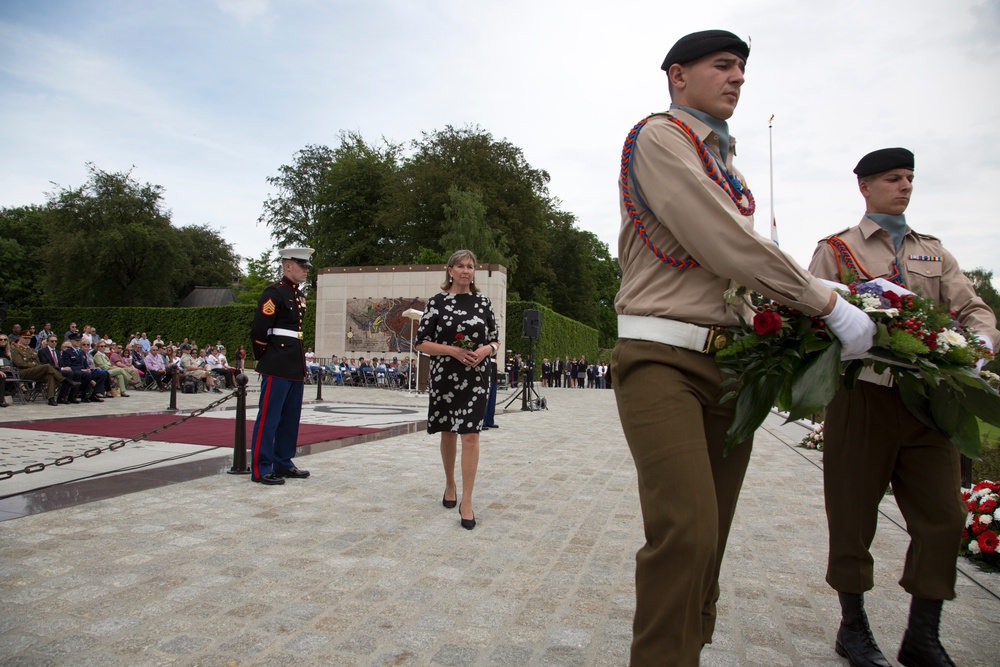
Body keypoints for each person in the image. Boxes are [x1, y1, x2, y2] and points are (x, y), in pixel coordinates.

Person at [612, 30, 877, 666]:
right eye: (722, 65)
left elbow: (733, 269)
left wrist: (791, 316)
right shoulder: (660, 137)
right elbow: (721, 238)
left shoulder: (723, 164)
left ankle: (687, 652)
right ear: (678, 76)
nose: (736, 78)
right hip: (661, 359)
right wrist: (823, 301)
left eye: (742, 69)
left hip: (727, 367)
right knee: (686, 533)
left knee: (711, 541)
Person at [808, 147, 999, 667]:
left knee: (942, 517)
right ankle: (854, 629)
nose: (905, 186)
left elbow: (973, 307)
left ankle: (922, 636)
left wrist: (979, 345)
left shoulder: (933, 252)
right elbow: (807, 309)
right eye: (894, 178)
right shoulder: (837, 249)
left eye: (910, 178)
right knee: (852, 517)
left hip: (927, 403)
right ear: (865, 187)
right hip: (862, 396)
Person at [415, 249, 499, 530]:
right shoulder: (437, 303)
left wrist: (488, 349)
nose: (465, 270)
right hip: (446, 376)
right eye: (460, 266)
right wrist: (450, 350)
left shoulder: (483, 303)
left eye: (470, 266)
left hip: (476, 375)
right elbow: (422, 343)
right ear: (449, 270)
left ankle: (467, 501)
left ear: (475, 271)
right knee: (449, 431)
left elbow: (495, 339)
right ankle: (450, 484)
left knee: (471, 435)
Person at [248, 247, 314, 486]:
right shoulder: (273, 293)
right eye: (302, 266)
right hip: (276, 362)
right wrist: (264, 357)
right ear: (288, 266)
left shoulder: (298, 296)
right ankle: (261, 467)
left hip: (294, 362)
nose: (306, 270)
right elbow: (258, 330)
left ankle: (283, 461)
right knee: (269, 417)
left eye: (307, 266)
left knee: (290, 417)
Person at [10, 330, 72, 406]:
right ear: (20, 338)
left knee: (50, 375)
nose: (27, 340)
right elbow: (20, 364)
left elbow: (38, 362)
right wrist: (35, 365)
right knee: (47, 366)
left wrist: (37, 366)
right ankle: (64, 380)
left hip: (35, 372)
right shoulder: (15, 350)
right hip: (24, 372)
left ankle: (51, 398)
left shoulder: (32, 350)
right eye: (25, 338)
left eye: (29, 338)